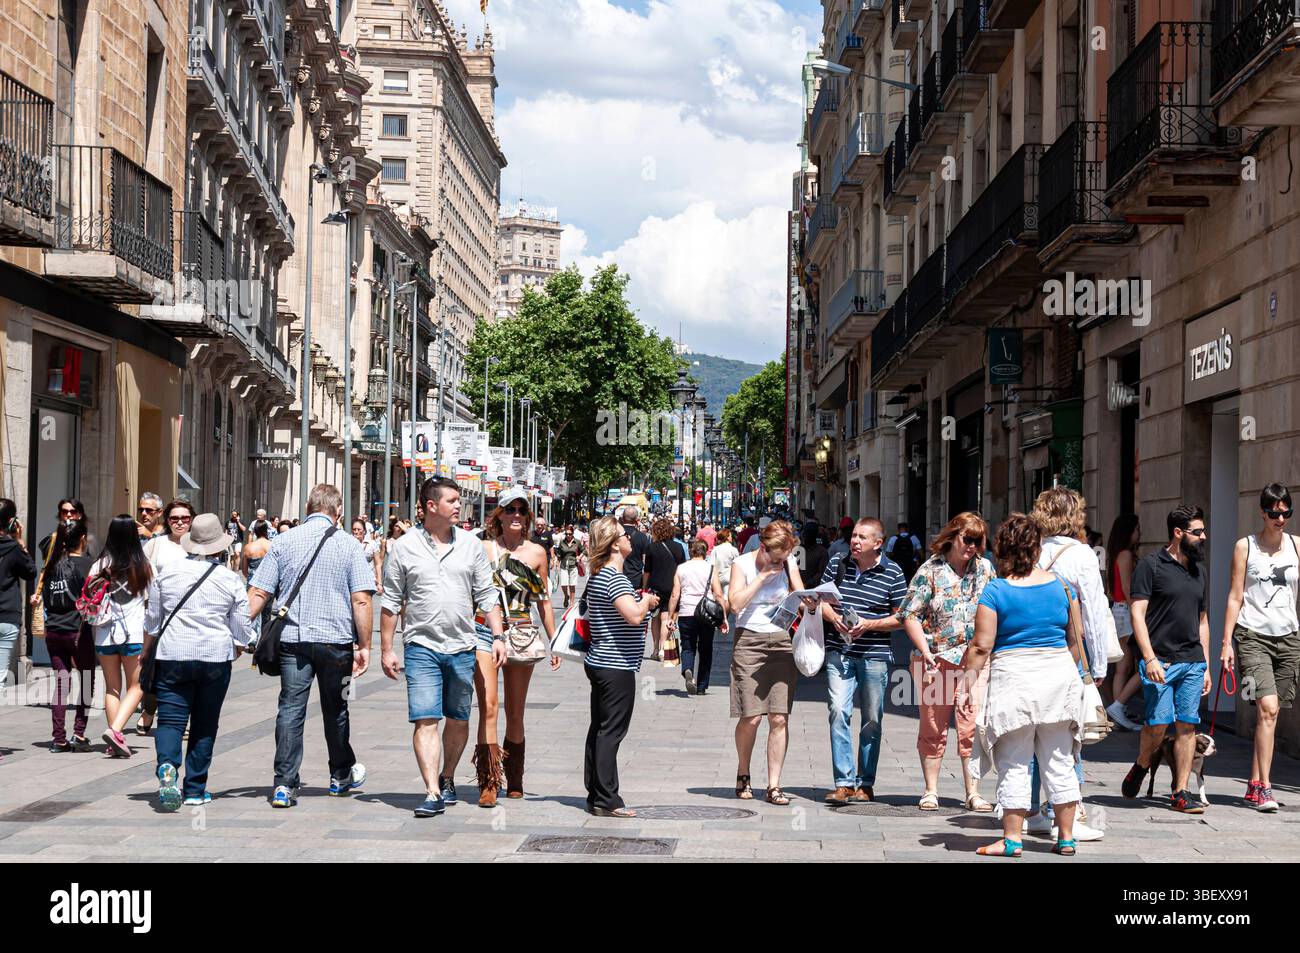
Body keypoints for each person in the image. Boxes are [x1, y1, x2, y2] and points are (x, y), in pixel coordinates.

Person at [960, 513, 1083, 857]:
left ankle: (1013, 840)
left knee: (1015, 761)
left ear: (1002, 548)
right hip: (1058, 678)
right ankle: (1067, 837)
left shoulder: (996, 590)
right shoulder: (1062, 587)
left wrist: (967, 685)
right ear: (1037, 547)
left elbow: (982, 646)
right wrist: (1060, 667)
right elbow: (1077, 638)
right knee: (1059, 759)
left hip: (1014, 679)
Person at [381, 478, 504, 817]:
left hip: (463, 645)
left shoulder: (471, 545)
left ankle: (447, 775)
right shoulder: (403, 547)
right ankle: (432, 791)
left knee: (458, 718)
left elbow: (486, 594)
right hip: (420, 645)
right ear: (430, 506)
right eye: (451, 500)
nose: (458, 506)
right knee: (425, 719)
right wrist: (386, 649)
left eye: (458, 500)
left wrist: (498, 635)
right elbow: (391, 601)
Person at [248, 484, 374, 809]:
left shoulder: (283, 541)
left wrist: (234, 631)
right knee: (338, 708)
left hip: (293, 642)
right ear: (339, 512)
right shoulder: (350, 545)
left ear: (308, 507)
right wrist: (366, 646)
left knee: (290, 709)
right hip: (337, 645)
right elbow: (361, 599)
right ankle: (339, 775)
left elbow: (259, 593)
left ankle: (283, 785)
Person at [144, 513, 251, 809]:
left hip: (173, 655)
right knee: (205, 723)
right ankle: (194, 789)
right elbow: (242, 626)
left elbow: (153, 621)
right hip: (214, 657)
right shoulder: (230, 579)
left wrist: (147, 646)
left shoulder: (167, 573)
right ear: (219, 546)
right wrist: (239, 643)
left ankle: (167, 766)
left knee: (170, 720)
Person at [898, 512, 996, 811]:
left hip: (975, 660)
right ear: (953, 536)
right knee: (933, 725)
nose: (972, 546)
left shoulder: (985, 569)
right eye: (967, 539)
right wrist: (925, 651)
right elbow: (910, 614)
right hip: (936, 659)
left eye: (978, 541)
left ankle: (973, 792)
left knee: (971, 725)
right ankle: (931, 789)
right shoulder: (930, 570)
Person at [471, 486, 561, 807]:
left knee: (516, 712)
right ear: (500, 514)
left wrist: (556, 643)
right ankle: (489, 782)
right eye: (511, 510)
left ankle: (516, 777)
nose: (517, 516)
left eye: (523, 511)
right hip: (485, 632)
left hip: (522, 634)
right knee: (489, 707)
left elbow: (544, 603)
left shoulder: (536, 554)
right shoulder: (482, 549)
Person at [1121, 504, 1212, 814]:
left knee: (1187, 726)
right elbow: (1137, 614)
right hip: (1160, 661)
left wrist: (1207, 664)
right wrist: (1149, 659)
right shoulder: (1151, 565)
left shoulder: (1199, 570)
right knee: (1157, 726)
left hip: (1192, 661)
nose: (1204, 536)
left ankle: (1180, 791)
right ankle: (1142, 763)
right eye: (1197, 532)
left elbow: (1202, 620)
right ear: (1178, 533)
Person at [1029, 488, 1108, 840]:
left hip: (1028, 653)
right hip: (1069, 656)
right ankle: (1069, 815)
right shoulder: (1082, 555)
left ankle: (1030, 809)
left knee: (1028, 731)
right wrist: (1099, 664)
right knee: (1069, 735)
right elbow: (1093, 612)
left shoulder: (1030, 548)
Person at [1222, 484, 1300, 813]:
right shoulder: (1246, 547)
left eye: (1285, 513)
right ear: (1262, 512)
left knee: (1272, 713)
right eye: (1273, 513)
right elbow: (1235, 596)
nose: (1279, 519)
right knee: (1266, 707)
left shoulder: (1297, 546)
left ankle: (1254, 783)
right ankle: (1265, 788)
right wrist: (1227, 643)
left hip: (1289, 638)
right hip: (1252, 634)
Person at [818, 518, 907, 804]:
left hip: (874, 655)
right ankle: (843, 782)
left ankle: (865, 783)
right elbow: (820, 601)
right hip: (839, 650)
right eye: (854, 536)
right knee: (838, 712)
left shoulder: (893, 572)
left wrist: (868, 625)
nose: (854, 541)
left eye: (862, 537)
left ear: (877, 543)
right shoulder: (837, 564)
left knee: (871, 719)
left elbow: (902, 617)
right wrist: (833, 617)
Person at [583, 516, 660, 817]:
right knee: (611, 732)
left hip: (602, 661)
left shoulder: (600, 574)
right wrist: (648, 602)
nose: (631, 537)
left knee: (600, 730)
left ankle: (595, 793)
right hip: (615, 664)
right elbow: (632, 616)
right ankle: (606, 798)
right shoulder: (613, 578)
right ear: (614, 544)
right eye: (625, 534)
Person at [729, 519, 806, 806]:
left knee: (778, 716)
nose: (782, 562)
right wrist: (761, 577)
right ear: (763, 548)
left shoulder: (788, 563)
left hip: (782, 641)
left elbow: (798, 595)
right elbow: (735, 604)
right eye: (777, 557)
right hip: (749, 640)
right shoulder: (743, 564)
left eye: (785, 557)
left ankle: (774, 785)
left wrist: (809, 602)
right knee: (751, 716)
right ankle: (743, 771)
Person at [88, 516, 153, 758]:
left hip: (104, 634)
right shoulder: (144, 565)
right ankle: (115, 731)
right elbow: (152, 604)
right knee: (137, 686)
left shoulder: (100, 564)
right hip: (134, 634)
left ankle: (113, 740)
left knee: (112, 688)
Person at [40, 520, 96, 752]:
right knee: (86, 680)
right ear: (83, 538)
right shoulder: (88, 566)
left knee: (61, 684)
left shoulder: (51, 566)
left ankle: (58, 739)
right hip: (77, 632)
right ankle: (79, 733)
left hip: (53, 631)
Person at [666, 538, 730, 695]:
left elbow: (675, 594)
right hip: (706, 614)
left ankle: (688, 669)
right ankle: (701, 686)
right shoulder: (710, 568)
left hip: (686, 613)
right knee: (706, 649)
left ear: (692, 551)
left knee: (688, 646)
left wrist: (670, 616)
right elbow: (718, 594)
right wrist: (724, 618)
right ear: (705, 551)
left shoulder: (681, 568)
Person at [1105, 514, 1144, 731]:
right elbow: (1129, 589)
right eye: (1137, 529)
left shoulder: (1115, 555)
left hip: (1119, 609)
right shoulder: (1126, 555)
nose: (1140, 533)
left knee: (1124, 665)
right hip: (1126, 611)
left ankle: (1117, 710)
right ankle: (1118, 709)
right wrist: (1139, 613)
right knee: (1128, 665)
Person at [0, 500, 35, 697]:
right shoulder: (14, 548)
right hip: (7, 616)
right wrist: (21, 543)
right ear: (12, 522)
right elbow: (30, 572)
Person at [644, 517, 685, 661]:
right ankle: (663, 649)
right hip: (672, 586)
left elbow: (647, 571)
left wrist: (644, 588)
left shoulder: (651, 547)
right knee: (666, 617)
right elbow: (682, 568)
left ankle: (655, 649)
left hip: (655, 586)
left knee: (655, 618)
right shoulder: (678, 547)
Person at [619, 506, 651, 589]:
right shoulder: (643, 537)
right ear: (637, 519)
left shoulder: (616, 535)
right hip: (636, 579)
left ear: (622, 518)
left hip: (618, 579)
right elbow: (645, 560)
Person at [554, 525, 584, 609]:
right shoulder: (562, 542)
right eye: (566, 534)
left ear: (572, 534)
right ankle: (566, 596)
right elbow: (559, 553)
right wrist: (557, 563)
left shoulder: (577, 542)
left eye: (570, 534)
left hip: (573, 565)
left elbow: (584, 550)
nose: (568, 536)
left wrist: (579, 557)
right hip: (564, 565)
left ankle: (571, 602)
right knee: (563, 584)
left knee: (572, 585)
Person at [352, 518, 383, 593]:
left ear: (364, 531)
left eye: (359, 529)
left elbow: (378, 564)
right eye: (354, 529)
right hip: (354, 580)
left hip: (368, 580)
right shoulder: (349, 543)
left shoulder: (372, 544)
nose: (356, 532)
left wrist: (379, 583)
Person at [798, 522, 829, 593]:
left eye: (810, 533)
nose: (807, 536)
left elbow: (821, 573)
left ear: (815, 535)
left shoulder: (822, 552)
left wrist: (807, 584)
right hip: (797, 589)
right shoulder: (799, 549)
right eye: (806, 533)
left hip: (813, 591)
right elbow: (797, 569)